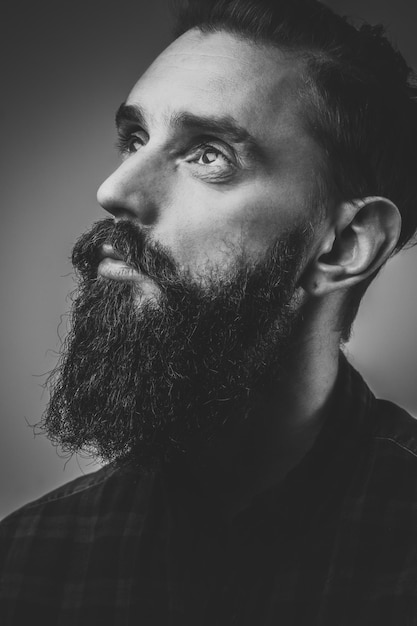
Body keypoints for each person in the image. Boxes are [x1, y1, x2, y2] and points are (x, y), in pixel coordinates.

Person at [1, 0, 417, 623]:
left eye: (208, 154)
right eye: (135, 139)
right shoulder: (26, 562)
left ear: (346, 244)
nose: (113, 190)